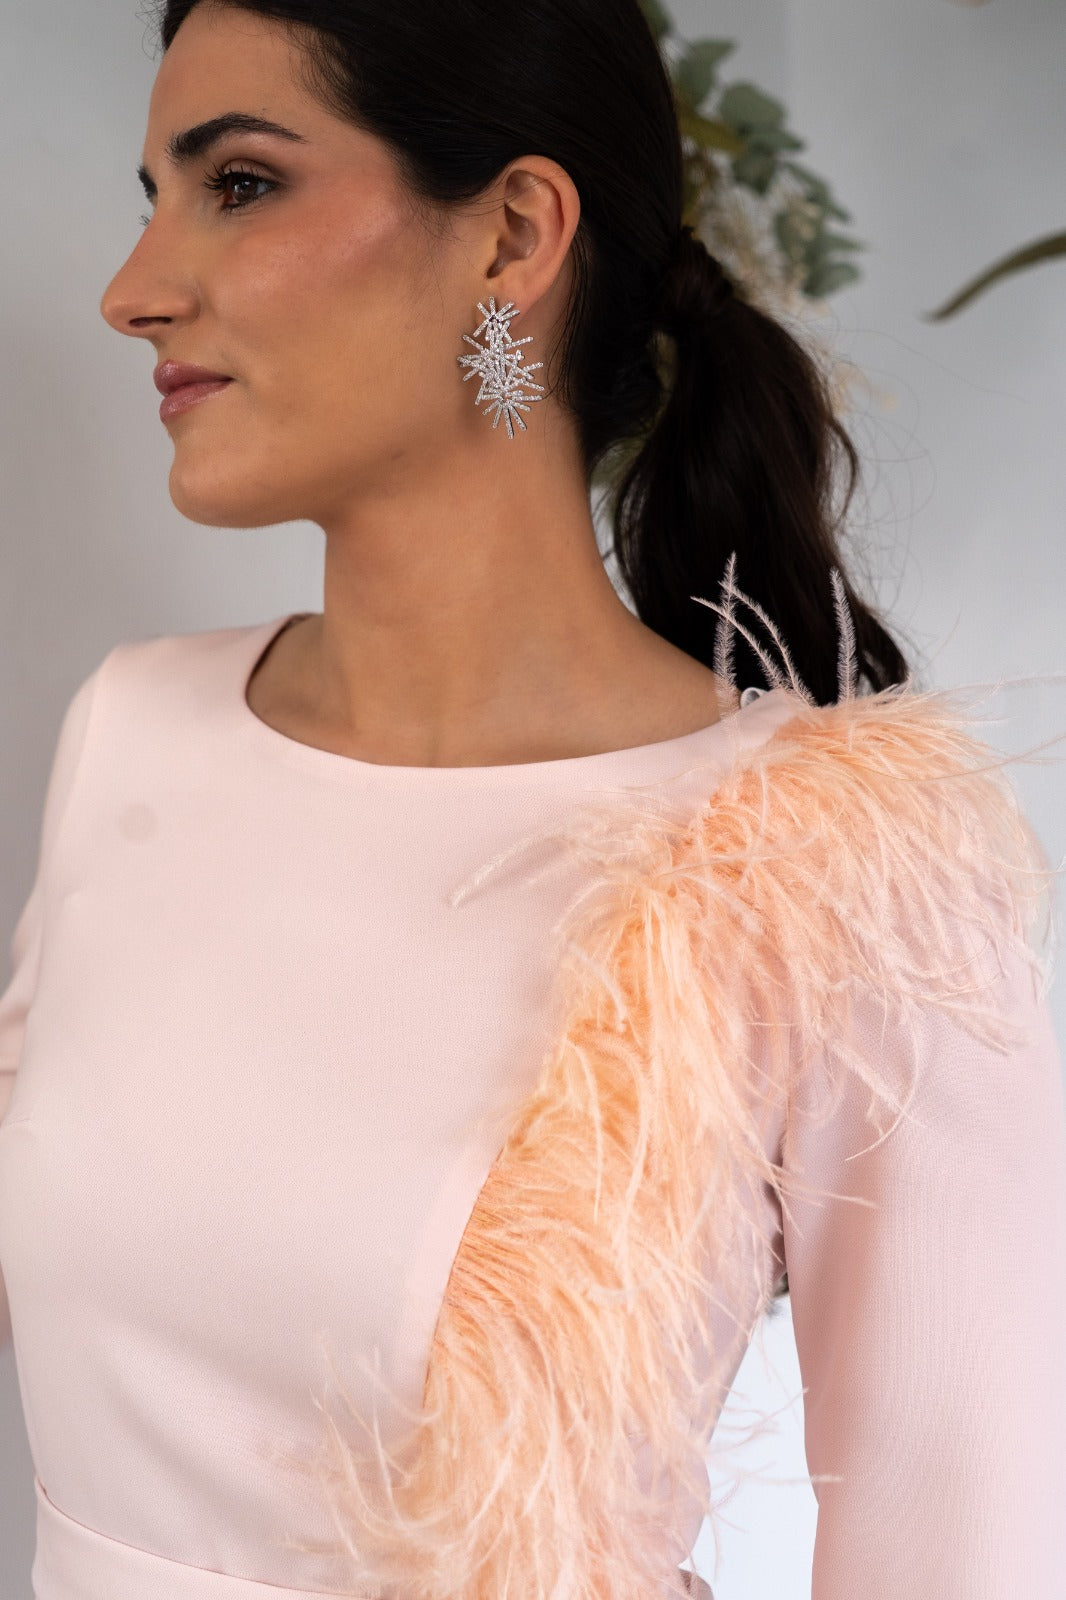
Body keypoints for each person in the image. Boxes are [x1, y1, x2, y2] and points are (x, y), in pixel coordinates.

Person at [1, 1, 1064, 1597]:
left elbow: (963, 1546)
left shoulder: (826, 869)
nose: (132, 289)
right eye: (151, 198)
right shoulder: (131, 733)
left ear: (510, 235)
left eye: (239, 185)